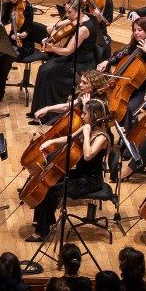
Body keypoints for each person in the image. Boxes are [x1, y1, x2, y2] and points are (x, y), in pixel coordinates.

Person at [27, 99, 110, 243]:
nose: (82, 116)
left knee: (53, 190)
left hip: (90, 181)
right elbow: (70, 138)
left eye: (85, 113)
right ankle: (46, 221)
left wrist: (86, 133)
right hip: (81, 174)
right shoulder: (86, 127)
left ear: (94, 115)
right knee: (50, 179)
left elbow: (88, 155)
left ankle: (42, 231)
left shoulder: (101, 137)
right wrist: (50, 142)